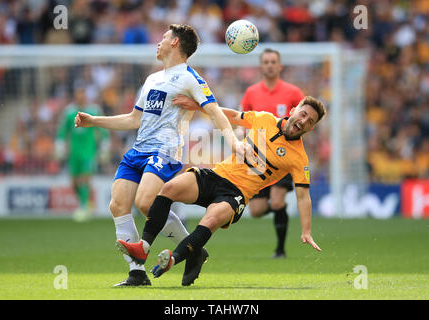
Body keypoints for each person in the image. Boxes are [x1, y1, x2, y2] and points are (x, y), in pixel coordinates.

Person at [74, 24, 249, 287]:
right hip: (138, 150)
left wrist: (234, 141)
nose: (159, 42)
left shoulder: (190, 78)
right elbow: (134, 119)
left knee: (146, 203)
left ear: (176, 43)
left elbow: (215, 112)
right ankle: (137, 273)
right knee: (117, 205)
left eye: (164, 37)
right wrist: (94, 121)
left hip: (165, 150)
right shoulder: (152, 79)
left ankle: (192, 249)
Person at [116, 96, 326, 286]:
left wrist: (306, 231)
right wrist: (198, 107)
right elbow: (233, 116)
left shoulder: (299, 158)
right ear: (295, 109)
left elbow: (303, 196)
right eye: (304, 114)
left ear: (311, 128)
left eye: (310, 122)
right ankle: (144, 247)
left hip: (237, 194)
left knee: (209, 220)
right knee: (169, 188)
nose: (304, 122)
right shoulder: (264, 119)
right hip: (217, 176)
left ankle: (173, 258)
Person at [240, 48, 305, 258]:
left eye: (273, 61)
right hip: (258, 157)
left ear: (280, 66)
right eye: (266, 62)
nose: (269, 65)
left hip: (283, 156)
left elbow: (304, 120)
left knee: (277, 201)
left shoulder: (293, 93)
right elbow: (243, 122)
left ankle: (280, 250)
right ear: (261, 66)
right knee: (256, 211)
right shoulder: (251, 92)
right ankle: (281, 212)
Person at [55, 85, 110, 222]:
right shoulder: (69, 112)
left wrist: (104, 146)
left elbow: (102, 129)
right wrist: (60, 145)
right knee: (74, 182)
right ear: (75, 95)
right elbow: (63, 131)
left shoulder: (93, 110)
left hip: (89, 152)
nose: (80, 96)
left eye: (82, 93)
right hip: (73, 153)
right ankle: (85, 203)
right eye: (78, 93)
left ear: (85, 95)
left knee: (85, 179)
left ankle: (83, 207)